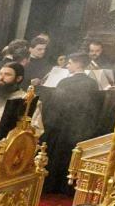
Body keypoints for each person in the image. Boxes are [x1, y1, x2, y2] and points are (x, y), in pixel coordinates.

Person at [41, 53, 102, 194]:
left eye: (70, 63)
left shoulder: (65, 82)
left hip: (62, 126)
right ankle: (66, 187)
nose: (68, 66)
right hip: (81, 128)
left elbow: (56, 105)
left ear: (78, 64)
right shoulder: (92, 84)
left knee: (57, 156)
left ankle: (52, 185)